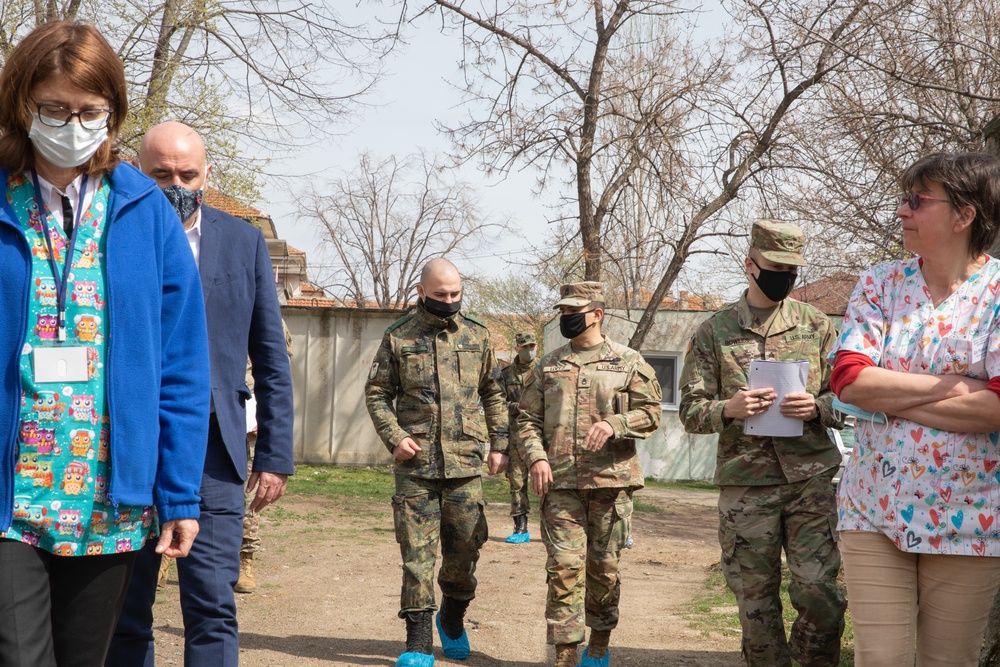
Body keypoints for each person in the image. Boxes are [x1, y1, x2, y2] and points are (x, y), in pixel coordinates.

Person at [0, 20, 210, 666]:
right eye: (54, 108)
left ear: (113, 113)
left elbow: (181, 364)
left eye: (89, 110)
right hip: (11, 499)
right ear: (21, 105)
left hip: (108, 501)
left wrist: (178, 493)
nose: (71, 123)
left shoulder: (146, 210)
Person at [107, 122, 294, 667]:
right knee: (125, 608)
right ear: (138, 173)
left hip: (215, 450)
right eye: (161, 174)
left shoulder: (243, 243)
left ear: (207, 173)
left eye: (187, 173)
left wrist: (276, 453)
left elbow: (271, 356)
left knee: (212, 605)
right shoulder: (113, 239)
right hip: (127, 446)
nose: (176, 184)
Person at [830, 152, 1000, 666]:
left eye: (916, 201)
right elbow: (850, 380)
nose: (901, 211)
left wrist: (895, 401)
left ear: (964, 215)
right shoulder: (880, 284)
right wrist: (956, 385)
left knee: (949, 662)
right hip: (872, 509)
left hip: (971, 515)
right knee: (880, 660)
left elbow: (999, 409)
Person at [678, 220, 846, 667]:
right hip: (747, 485)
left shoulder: (817, 326)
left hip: (811, 479)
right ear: (750, 265)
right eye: (776, 267)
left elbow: (848, 398)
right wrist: (728, 409)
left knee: (820, 592)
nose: (786, 277)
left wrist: (818, 407)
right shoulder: (714, 332)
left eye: (794, 269)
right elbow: (690, 412)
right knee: (755, 603)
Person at [365, 257, 507, 667]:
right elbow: (377, 393)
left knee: (465, 550)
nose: (449, 301)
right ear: (421, 292)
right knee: (417, 555)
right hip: (416, 466)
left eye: (456, 294)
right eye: (441, 294)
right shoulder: (398, 337)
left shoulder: (478, 336)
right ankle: (418, 640)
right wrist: (396, 437)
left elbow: (493, 393)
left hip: (465, 464)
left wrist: (499, 444)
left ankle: (452, 617)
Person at [517, 281, 662, 667]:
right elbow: (526, 419)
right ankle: (564, 654)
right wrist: (536, 458)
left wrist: (617, 423)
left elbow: (652, 413)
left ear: (597, 313)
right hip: (560, 482)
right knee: (563, 568)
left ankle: (598, 646)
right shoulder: (547, 365)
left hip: (611, 484)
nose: (567, 318)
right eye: (563, 312)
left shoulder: (629, 362)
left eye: (573, 311)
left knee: (604, 570)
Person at [237, 319, 294, 594]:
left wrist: (265, 414)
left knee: (248, 494)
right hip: (209, 409)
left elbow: (277, 372)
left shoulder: (272, 320)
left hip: (249, 416)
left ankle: (245, 559)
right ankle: (166, 557)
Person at [499, 330, 538, 543]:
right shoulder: (506, 374)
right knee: (517, 481)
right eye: (525, 347)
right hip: (515, 436)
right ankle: (520, 527)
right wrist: (515, 406)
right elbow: (496, 402)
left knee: (549, 480)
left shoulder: (543, 371)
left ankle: (556, 526)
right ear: (517, 349)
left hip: (541, 435)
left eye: (532, 347)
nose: (529, 351)